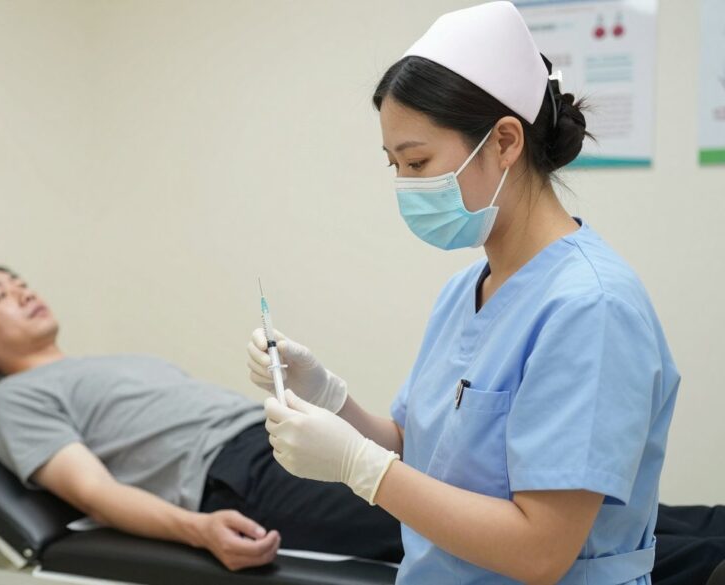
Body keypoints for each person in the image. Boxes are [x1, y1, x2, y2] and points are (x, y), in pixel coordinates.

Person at [247, 2, 680, 583]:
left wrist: (359, 467)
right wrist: (328, 397)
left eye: (418, 162)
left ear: (505, 142)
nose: (404, 185)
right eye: (393, 164)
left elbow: (541, 550)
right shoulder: (464, 292)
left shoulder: (591, 307)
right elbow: (415, 447)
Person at [0, 256, 403, 572]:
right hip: (236, 475)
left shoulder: (108, 362)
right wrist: (199, 532)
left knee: (446, 488)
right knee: (420, 524)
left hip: (280, 436)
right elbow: (94, 493)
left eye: (19, 282)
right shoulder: (13, 400)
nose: (24, 292)